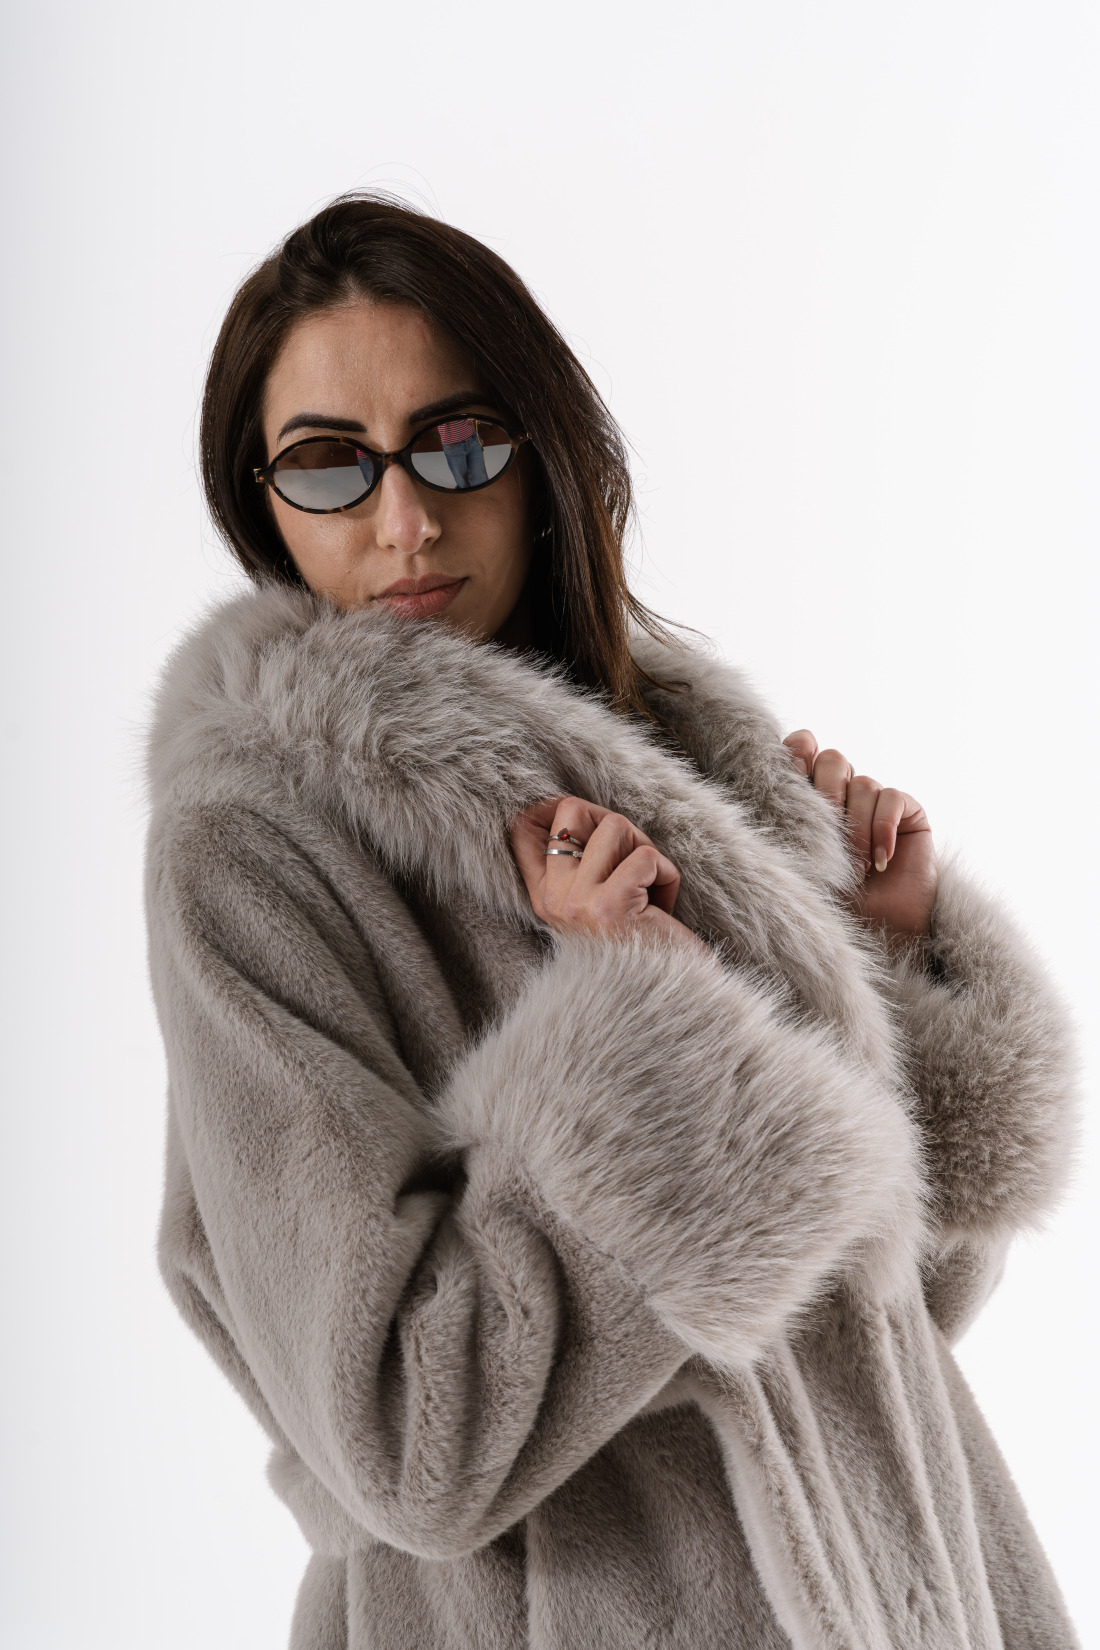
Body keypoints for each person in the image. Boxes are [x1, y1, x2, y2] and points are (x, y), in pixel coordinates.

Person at [147, 193, 1080, 1650]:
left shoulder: (687, 762)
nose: (407, 520)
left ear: (540, 455)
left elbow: (889, 1320)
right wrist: (644, 1031)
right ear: (259, 497)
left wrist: (882, 953)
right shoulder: (252, 851)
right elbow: (409, 1437)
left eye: (459, 443)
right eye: (329, 463)